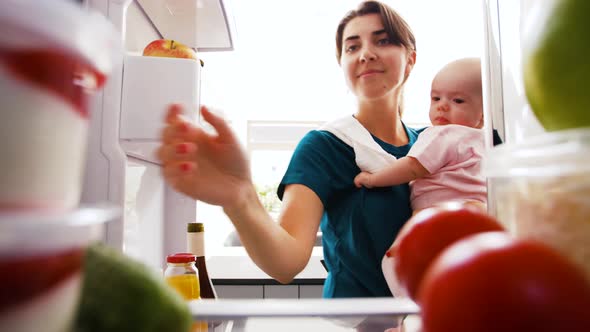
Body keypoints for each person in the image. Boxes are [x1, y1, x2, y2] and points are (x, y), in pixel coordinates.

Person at [157, 0, 420, 300]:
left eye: (382, 40)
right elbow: (286, 263)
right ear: (342, 65)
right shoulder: (325, 146)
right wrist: (240, 198)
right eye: (352, 47)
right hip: (360, 324)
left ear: (410, 59)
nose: (366, 54)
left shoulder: (433, 146)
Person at [353, 58, 487, 213]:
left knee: (406, 237)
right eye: (436, 98)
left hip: (439, 210)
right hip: (479, 211)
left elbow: (413, 167)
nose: (442, 106)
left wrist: (373, 179)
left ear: (483, 114)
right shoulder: (485, 141)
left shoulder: (443, 133)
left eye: (458, 100)